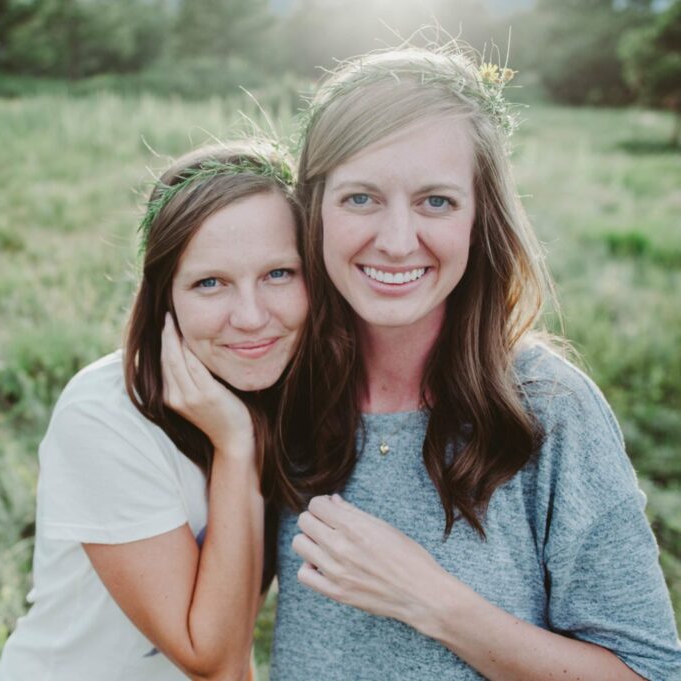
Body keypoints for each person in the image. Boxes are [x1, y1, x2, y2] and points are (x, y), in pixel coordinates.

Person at [268, 46, 681, 680]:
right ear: (314, 210)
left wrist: (429, 600)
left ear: (478, 218)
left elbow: (650, 672)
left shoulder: (547, 409)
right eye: (360, 198)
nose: (398, 240)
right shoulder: (281, 390)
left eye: (436, 201)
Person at [0, 141, 307, 680]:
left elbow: (235, 634)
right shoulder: (104, 417)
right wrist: (235, 447)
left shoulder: (287, 396)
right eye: (211, 283)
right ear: (165, 298)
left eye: (279, 274)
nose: (252, 317)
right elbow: (214, 661)